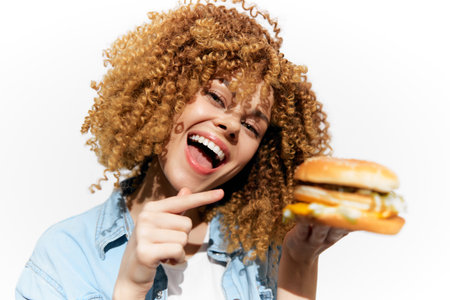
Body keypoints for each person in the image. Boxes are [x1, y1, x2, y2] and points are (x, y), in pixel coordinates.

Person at [16, 1, 349, 299]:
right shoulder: (64, 257)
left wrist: (300, 260)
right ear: (165, 92)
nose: (231, 126)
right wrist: (130, 287)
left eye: (251, 127)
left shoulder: (261, 256)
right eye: (216, 97)